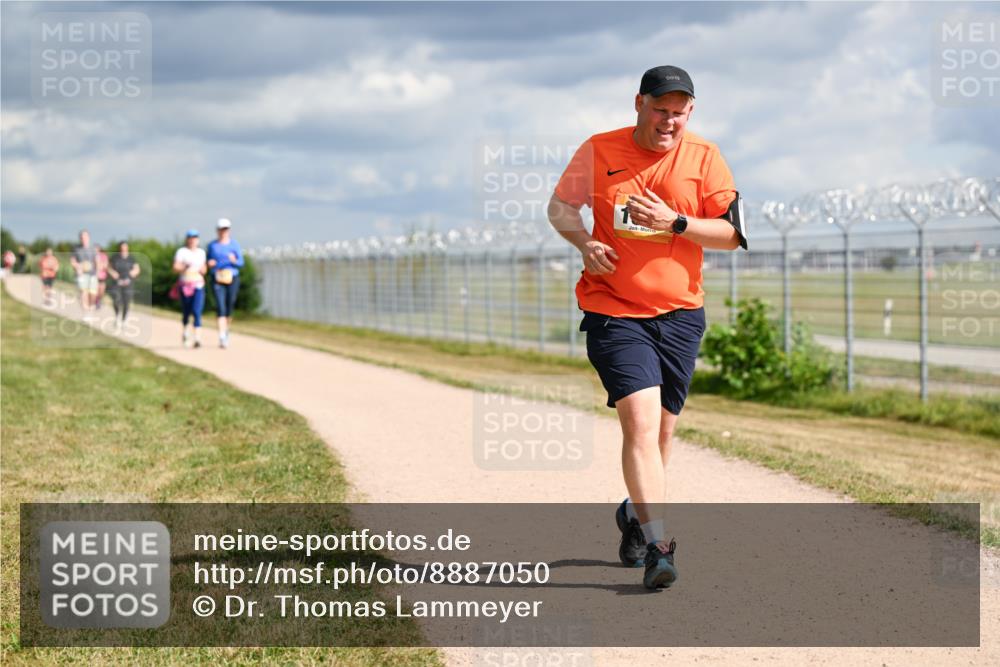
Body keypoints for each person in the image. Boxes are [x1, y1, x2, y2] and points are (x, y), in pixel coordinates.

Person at [547, 65, 746, 589]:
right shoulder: (599, 150)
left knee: (661, 436)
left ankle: (634, 514)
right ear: (639, 103)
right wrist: (585, 242)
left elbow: (731, 235)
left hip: (680, 314)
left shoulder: (704, 157)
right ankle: (660, 546)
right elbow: (560, 208)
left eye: (678, 113)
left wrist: (676, 223)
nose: (668, 122)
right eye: (660, 110)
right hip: (614, 309)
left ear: (690, 113)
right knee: (639, 421)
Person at [206, 218, 244, 348]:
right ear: (217, 230)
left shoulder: (234, 245)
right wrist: (210, 264)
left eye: (226, 229)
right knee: (220, 306)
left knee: (229, 306)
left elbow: (241, 262)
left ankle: (226, 330)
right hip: (217, 278)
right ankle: (222, 335)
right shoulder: (212, 246)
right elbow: (207, 262)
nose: (223, 231)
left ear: (229, 230)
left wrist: (234, 260)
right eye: (221, 229)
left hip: (232, 277)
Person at [173, 230, 207, 348]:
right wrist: (184, 266)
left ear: (197, 240)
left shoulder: (201, 252)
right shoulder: (181, 252)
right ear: (187, 239)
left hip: (198, 285)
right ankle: (186, 333)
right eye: (190, 238)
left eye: (195, 238)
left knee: (197, 311)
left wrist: (203, 269)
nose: (192, 240)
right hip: (185, 285)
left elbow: (204, 269)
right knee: (186, 312)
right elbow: (175, 267)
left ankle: (197, 338)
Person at [107, 242, 141, 333]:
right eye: (122, 248)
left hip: (128, 282)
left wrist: (133, 273)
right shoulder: (115, 257)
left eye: (125, 248)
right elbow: (108, 267)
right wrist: (112, 273)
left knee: (126, 302)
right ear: (119, 248)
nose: (123, 249)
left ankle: (124, 320)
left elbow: (137, 269)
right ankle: (117, 316)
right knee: (116, 300)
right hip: (117, 282)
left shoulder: (131, 258)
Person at [70, 230, 99, 310]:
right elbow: (73, 261)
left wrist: (97, 272)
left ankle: (91, 306)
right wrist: (77, 267)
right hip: (81, 274)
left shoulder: (93, 249)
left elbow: (97, 261)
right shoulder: (76, 249)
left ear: (88, 237)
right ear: (80, 238)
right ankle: (85, 311)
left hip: (92, 274)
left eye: (85, 237)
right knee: (84, 292)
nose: (84, 239)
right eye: (82, 237)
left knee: (92, 293)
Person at [94, 245, 109, 310]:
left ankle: (98, 300)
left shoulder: (104, 255)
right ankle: (95, 302)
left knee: (101, 291)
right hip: (95, 276)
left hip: (103, 276)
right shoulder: (92, 256)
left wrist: (100, 265)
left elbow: (105, 265)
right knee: (95, 290)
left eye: (97, 249)